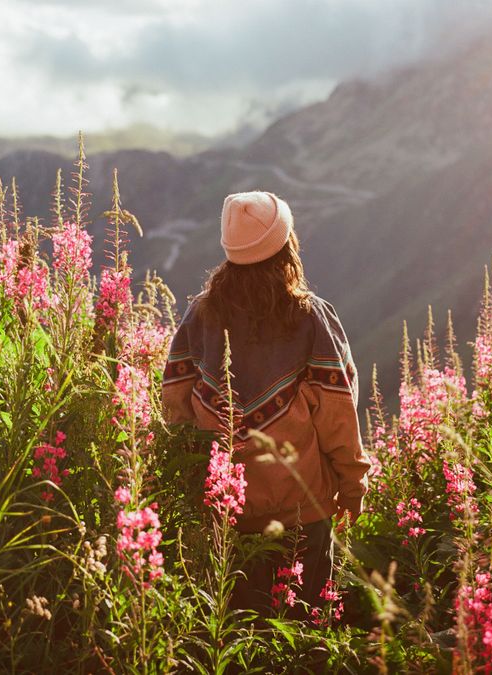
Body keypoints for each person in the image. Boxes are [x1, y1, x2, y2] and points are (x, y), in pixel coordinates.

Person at [161, 190, 370, 615]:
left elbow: (175, 409)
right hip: (304, 515)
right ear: (286, 247)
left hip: (226, 517)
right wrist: (353, 485)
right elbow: (338, 414)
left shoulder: (200, 317)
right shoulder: (311, 318)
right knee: (305, 631)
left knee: (238, 633)